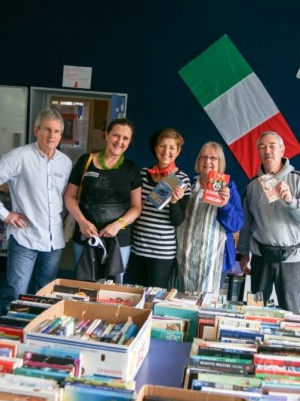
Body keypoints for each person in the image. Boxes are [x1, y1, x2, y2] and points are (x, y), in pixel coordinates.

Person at [0, 109, 72, 313]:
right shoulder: (20, 156)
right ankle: (9, 333)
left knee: (46, 293)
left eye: (56, 131)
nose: (51, 135)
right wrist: (4, 214)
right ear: (36, 131)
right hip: (24, 236)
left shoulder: (65, 163)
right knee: (16, 293)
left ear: (61, 135)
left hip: (54, 238)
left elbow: (63, 197)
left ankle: (36, 335)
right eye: (47, 129)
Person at [238, 130, 300, 314]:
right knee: (255, 310)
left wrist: (291, 200)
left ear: (282, 150)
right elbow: (246, 223)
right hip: (260, 256)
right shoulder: (252, 186)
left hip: (292, 256)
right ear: (258, 152)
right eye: (263, 147)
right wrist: (244, 252)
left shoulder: (298, 180)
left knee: (290, 311)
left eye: (272, 146)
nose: (268, 151)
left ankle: (289, 343)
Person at [63, 118, 142, 281]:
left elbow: (136, 207)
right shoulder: (86, 161)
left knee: (114, 287)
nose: (120, 141)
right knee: (82, 283)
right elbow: (69, 197)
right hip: (86, 234)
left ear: (129, 142)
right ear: (106, 135)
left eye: (125, 138)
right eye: (116, 135)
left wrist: (117, 225)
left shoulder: (132, 169)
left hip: (119, 238)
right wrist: (82, 222)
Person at [177, 141, 244, 293]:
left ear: (220, 162)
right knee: (182, 302)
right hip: (185, 257)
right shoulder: (187, 185)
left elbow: (237, 224)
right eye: (204, 157)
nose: (208, 161)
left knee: (206, 309)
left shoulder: (229, 188)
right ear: (198, 161)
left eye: (213, 158)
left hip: (214, 260)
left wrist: (225, 204)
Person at [128, 128, 191, 288]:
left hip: (162, 252)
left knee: (154, 299)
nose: (166, 151)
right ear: (156, 148)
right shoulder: (141, 173)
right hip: (136, 248)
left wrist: (174, 203)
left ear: (178, 151)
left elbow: (178, 220)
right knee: (134, 298)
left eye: (171, 147)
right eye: (162, 146)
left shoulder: (182, 179)